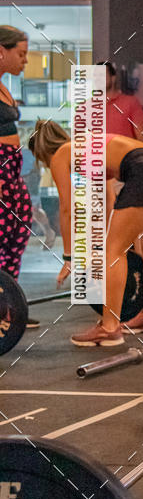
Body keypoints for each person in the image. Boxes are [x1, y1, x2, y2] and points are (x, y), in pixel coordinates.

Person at [29, 121, 143, 346]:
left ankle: (109, 328)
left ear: (41, 152)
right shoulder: (89, 146)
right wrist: (114, 236)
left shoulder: (62, 154)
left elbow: (66, 208)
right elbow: (110, 201)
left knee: (112, 252)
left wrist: (68, 257)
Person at [0, 26, 39, 327]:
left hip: (11, 168)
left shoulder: (4, 86)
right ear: (2, 50)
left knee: (19, 232)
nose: (25, 61)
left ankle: (8, 307)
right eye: (21, 54)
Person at [101, 61, 143, 141]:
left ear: (113, 78)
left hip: (125, 153)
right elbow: (76, 141)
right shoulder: (87, 106)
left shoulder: (131, 102)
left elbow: (142, 139)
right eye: (94, 76)